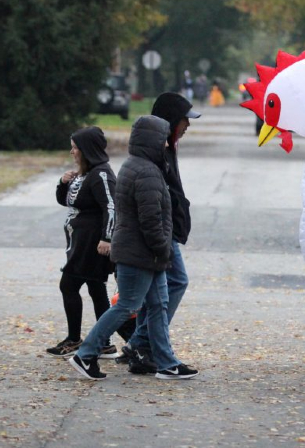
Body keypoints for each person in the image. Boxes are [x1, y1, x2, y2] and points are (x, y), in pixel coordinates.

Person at [68, 115, 198, 380]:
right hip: (140, 254)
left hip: (145, 253)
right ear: (153, 141)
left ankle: (166, 362)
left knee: (159, 304)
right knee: (127, 305)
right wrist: (163, 249)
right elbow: (150, 220)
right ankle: (85, 354)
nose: (165, 146)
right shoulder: (146, 172)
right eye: (163, 140)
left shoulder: (138, 166)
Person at [119, 93, 201, 375]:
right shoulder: (156, 152)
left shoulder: (168, 147)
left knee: (159, 293)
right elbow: (154, 200)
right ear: (170, 121)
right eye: (184, 120)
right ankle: (141, 342)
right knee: (175, 282)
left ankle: (141, 344)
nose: (188, 126)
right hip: (160, 233)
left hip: (169, 230)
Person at [47, 126, 131, 359]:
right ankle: (104, 343)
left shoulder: (101, 174)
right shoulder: (85, 173)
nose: (72, 152)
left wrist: (107, 237)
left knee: (68, 286)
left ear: (86, 150)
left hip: (92, 244)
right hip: (79, 241)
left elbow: (111, 207)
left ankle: (75, 339)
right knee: (96, 288)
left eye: (75, 148)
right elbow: (67, 201)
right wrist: (63, 183)